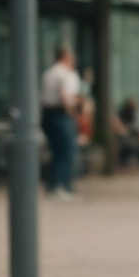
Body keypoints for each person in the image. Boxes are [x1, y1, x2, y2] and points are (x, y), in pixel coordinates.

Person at [40, 46, 82, 199]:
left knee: (55, 152)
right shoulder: (66, 74)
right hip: (61, 115)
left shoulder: (48, 73)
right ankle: (62, 186)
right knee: (66, 152)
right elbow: (65, 95)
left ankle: (52, 186)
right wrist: (72, 112)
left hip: (47, 115)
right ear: (66, 57)